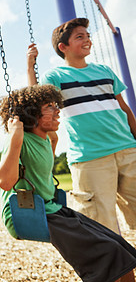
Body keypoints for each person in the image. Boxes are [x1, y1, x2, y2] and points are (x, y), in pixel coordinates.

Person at [0, 84, 136, 282]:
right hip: (31, 213)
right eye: (50, 107)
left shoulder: (47, 138)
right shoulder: (19, 139)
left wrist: (30, 67)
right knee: (106, 255)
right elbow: (5, 182)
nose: (58, 110)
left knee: (121, 248)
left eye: (56, 105)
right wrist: (15, 136)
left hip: (53, 209)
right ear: (31, 113)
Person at [26, 17, 136, 234]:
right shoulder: (56, 76)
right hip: (91, 158)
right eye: (79, 37)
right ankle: (119, 269)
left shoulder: (105, 71)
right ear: (63, 47)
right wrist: (31, 68)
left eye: (88, 36)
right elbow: (37, 103)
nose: (87, 40)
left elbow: (124, 108)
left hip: (127, 150)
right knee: (102, 226)